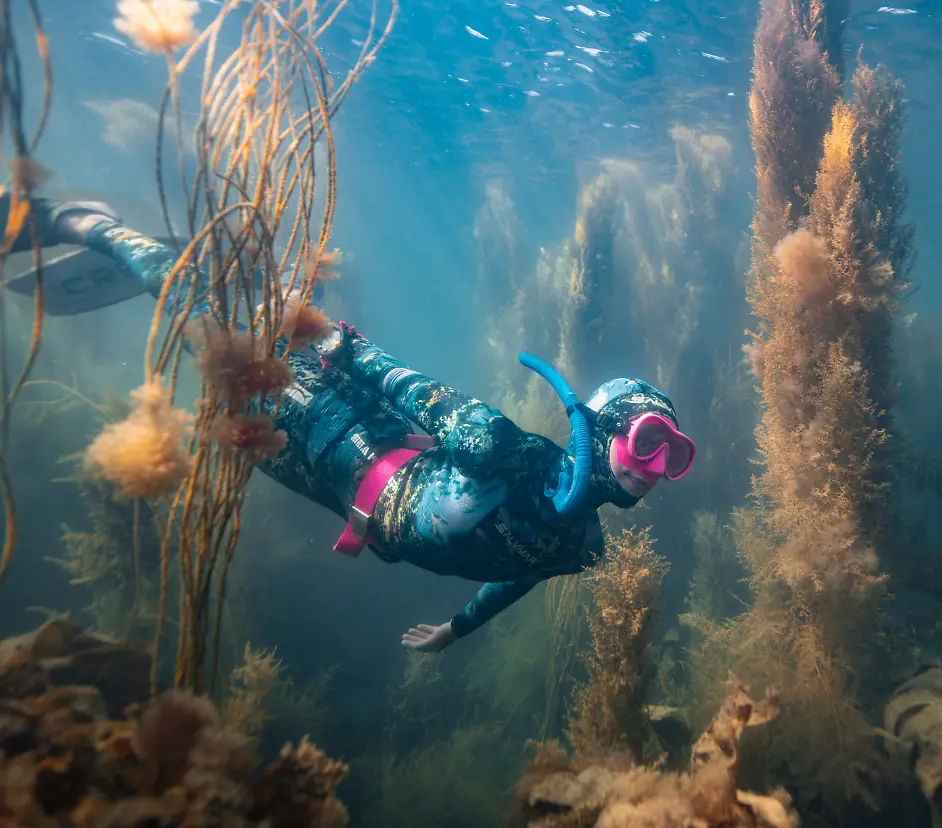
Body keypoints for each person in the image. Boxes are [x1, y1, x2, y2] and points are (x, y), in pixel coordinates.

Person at [9, 199, 698, 653]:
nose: (653, 463)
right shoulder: (507, 451)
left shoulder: (584, 544)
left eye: (672, 454)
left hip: (330, 490)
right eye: (646, 439)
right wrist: (344, 350)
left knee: (225, 408)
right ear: (600, 427)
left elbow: (524, 568)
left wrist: (458, 629)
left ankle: (230, 287)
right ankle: (87, 225)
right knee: (205, 331)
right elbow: (425, 396)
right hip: (336, 421)